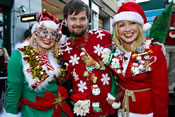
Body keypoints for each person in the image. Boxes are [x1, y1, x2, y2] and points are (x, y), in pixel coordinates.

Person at [103, 2, 169, 117]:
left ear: (140, 26)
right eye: (121, 25)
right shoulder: (114, 52)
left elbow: (161, 92)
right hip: (122, 111)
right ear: (117, 29)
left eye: (132, 23)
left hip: (147, 113)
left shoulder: (154, 52)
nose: (127, 29)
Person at [5, 11, 73, 117]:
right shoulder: (19, 56)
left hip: (59, 111)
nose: (48, 37)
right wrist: (10, 114)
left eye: (53, 34)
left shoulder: (55, 55)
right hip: (33, 112)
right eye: (44, 32)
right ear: (35, 33)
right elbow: (13, 91)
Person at [59, 0, 119, 116]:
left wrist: (155, 44)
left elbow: (126, 41)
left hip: (110, 108)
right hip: (82, 110)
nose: (78, 23)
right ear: (65, 21)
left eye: (82, 18)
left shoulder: (103, 37)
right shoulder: (61, 49)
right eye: (73, 19)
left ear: (88, 20)